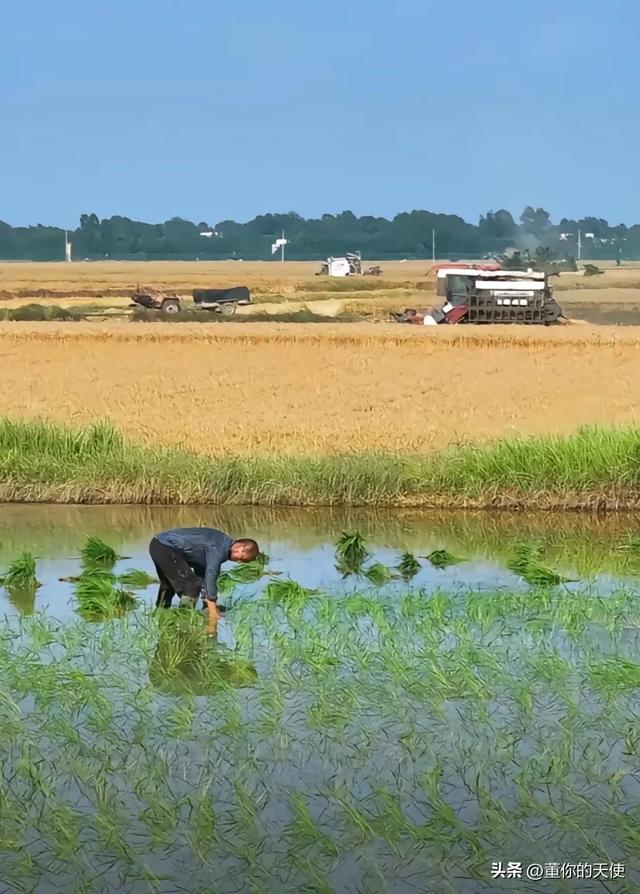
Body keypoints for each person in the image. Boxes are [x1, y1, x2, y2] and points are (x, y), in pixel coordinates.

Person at [149, 527, 259, 621]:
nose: (238, 561)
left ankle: (160, 615)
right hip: (164, 546)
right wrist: (213, 612)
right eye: (242, 559)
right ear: (240, 548)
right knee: (191, 586)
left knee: (168, 586)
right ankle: (184, 619)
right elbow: (211, 576)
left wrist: (207, 606)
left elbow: (203, 575)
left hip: (158, 545)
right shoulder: (219, 547)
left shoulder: (221, 546)